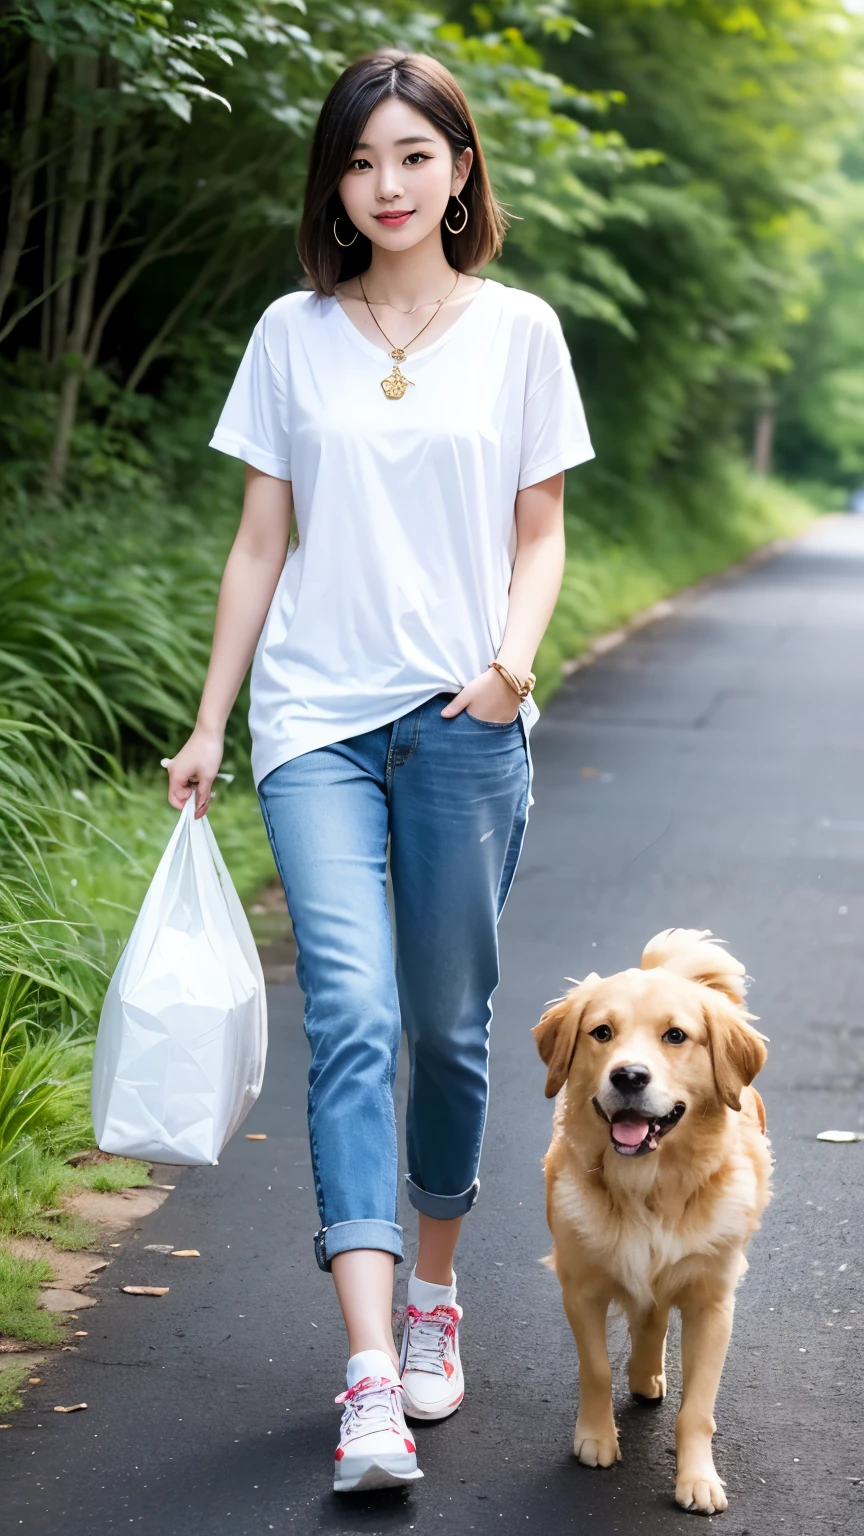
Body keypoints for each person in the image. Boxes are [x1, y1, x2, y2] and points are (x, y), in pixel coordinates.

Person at [164, 48, 594, 1495]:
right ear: (334, 186)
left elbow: (539, 533)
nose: (387, 186)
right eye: (360, 163)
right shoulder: (292, 334)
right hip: (314, 725)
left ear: (461, 168)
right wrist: (214, 719)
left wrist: (513, 669)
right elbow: (258, 541)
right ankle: (367, 1378)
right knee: (349, 1013)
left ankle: (434, 1288)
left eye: (414, 156)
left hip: (465, 718)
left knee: (451, 1029)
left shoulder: (522, 330)